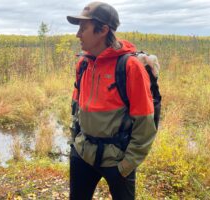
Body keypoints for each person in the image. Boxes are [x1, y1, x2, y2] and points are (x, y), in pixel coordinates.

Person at [66, 2, 157, 200]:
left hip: (117, 160)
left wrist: (125, 166)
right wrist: (75, 142)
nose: (78, 34)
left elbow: (145, 123)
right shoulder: (83, 63)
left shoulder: (130, 67)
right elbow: (76, 106)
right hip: (82, 154)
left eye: (83, 28)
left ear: (103, 30)